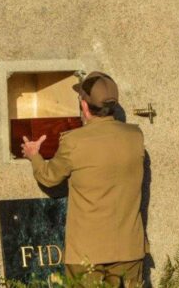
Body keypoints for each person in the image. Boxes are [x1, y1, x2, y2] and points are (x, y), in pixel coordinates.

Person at [21, 71, 146, 287]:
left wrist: (35, 156)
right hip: (129, 248)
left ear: (84, 106)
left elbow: (49, 177)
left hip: (87, 253)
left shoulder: (74, 141)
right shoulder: (136, 136)